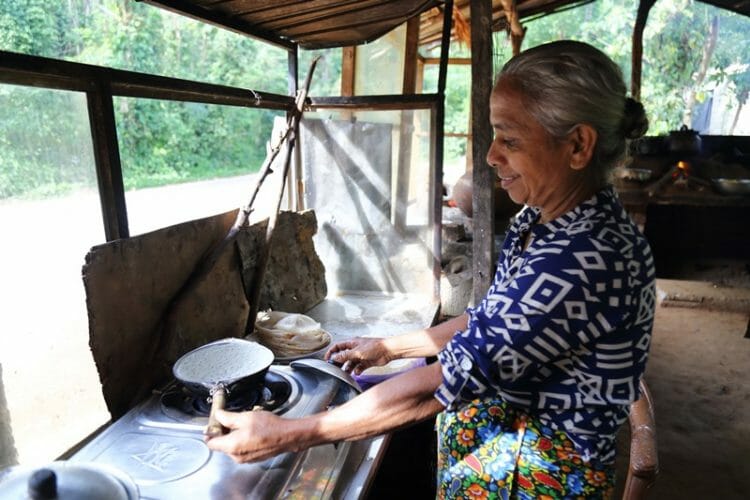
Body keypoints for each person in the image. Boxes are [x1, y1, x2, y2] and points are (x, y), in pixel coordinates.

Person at [205, 40, 655, 499]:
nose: (491, 155)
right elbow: (489, 321)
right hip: (498, 454)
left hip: (532, 478)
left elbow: (436, 387)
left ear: (578, 145)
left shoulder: (584, 260)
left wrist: (289, 432)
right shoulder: (543, 221)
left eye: (511, 139)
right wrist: (387, 348)